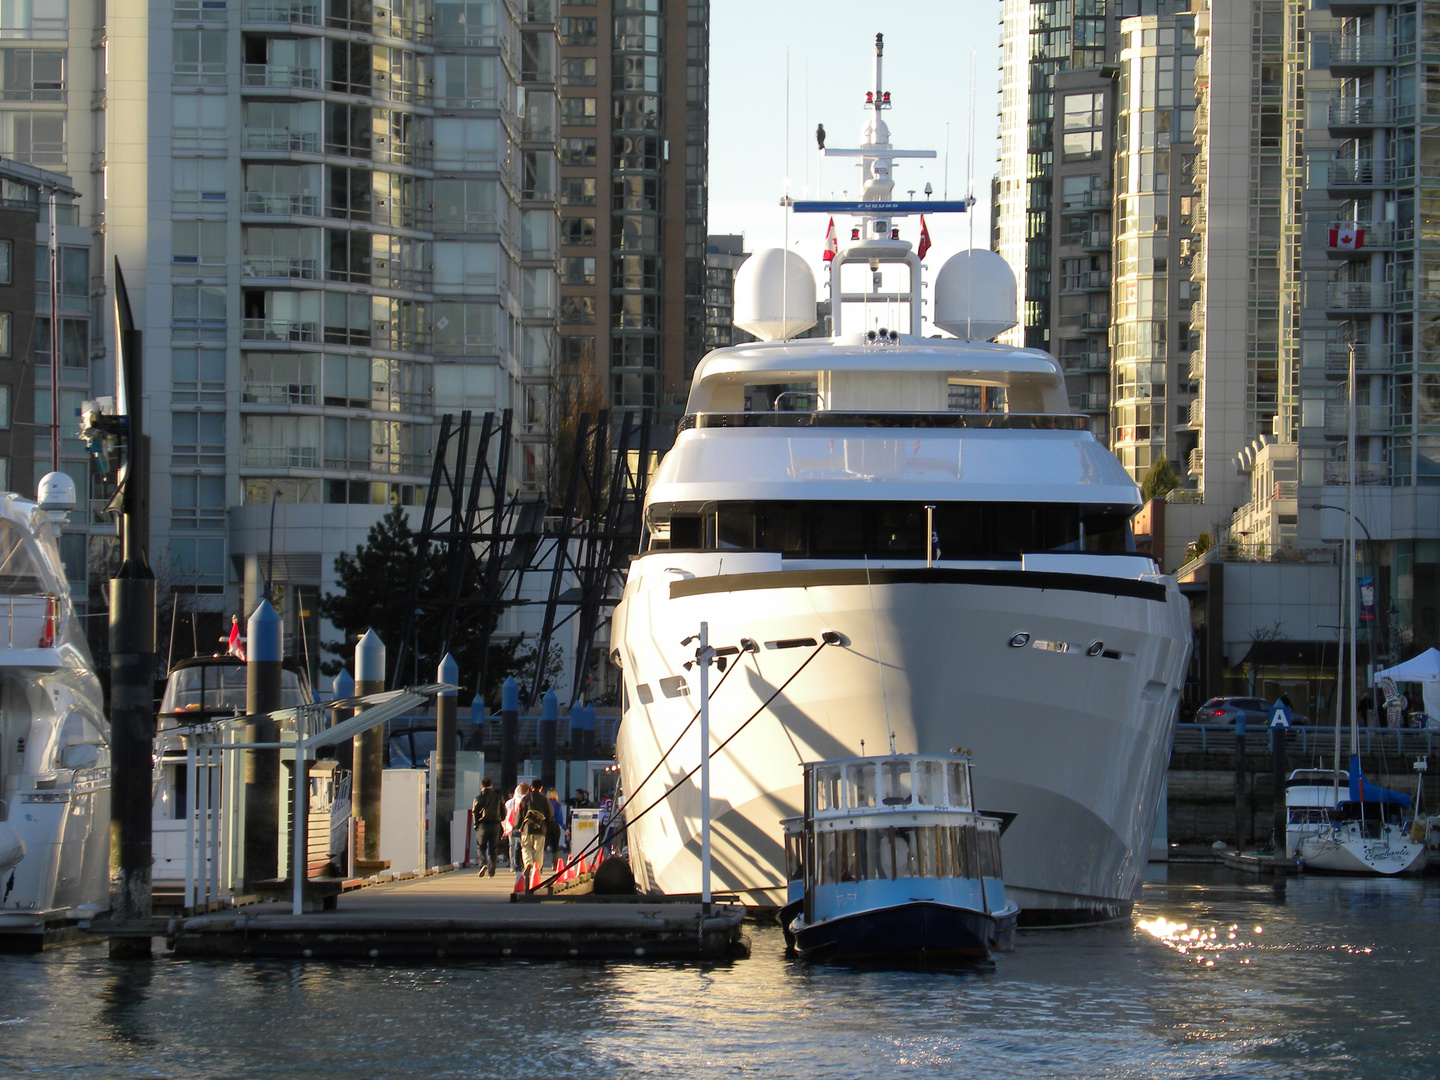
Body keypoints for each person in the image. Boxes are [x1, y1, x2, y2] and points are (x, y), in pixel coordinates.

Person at [471, 777, 505, 877]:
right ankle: (491, 871)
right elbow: (503, 810)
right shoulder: (498, 797)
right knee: (493, 849)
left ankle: (483, 863)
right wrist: (500, 819)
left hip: (483, 825)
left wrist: (476, 824)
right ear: (491, 786)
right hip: (495, 825)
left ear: (481, 787)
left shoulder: (478, 798)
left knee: (481, 847)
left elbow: (474, 812)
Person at [519, 782, 553, 880]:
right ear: (541, 788)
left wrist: (517, 826)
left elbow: (520, 814)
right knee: (539, 850)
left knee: (526, 847)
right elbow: (549, 815)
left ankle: (528, 863)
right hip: (540, 828)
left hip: (527, 828)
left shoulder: (525, 799)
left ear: (531, 787)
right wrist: (549, 827)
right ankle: (536, 870)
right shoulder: (545, 800)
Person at [503, 782, 529, 874]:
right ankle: (521, 864)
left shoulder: (509, 802)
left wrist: (505, 827)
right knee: (522, 846)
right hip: (521, 826)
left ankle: (513, 865)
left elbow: (506, 816)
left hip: (511, 826)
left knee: (512, 846)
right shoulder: (525, 800)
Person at [546, 787, 566, 864]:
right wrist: (565, 828)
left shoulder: (545, 803)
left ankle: (539, 866)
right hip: (555, 826)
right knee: (555, 847)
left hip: (546, 826)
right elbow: (560, 818)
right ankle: (555, 864)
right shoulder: (557, 804)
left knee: (543, 847)